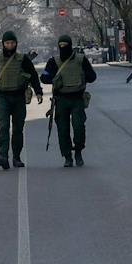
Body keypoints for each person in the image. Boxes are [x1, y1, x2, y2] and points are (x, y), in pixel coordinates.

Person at [0, 30, 43, 170]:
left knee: (18, 128)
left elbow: (33, 76)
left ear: (16, 43)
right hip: (3, 97)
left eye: (12, 43)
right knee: (4, 126)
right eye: (7, 43)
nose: (10, 45)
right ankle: (3, 156)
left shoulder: (22, 59)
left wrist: (39, 92)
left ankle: (16, 157)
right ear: (3, 44)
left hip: (18, 97)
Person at [46, 34, 97, 167]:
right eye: (61, 45)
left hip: (77, 99)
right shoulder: (54, 61)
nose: (63, 47)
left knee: (79, 126)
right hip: (61, 99)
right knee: (63, 130)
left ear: (70, 45)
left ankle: (78, 152)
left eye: (65, 45)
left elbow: (92, 76)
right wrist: (55, 77)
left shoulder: (80, 59)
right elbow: (44, 77)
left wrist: (81, 75)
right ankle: (67, 156)